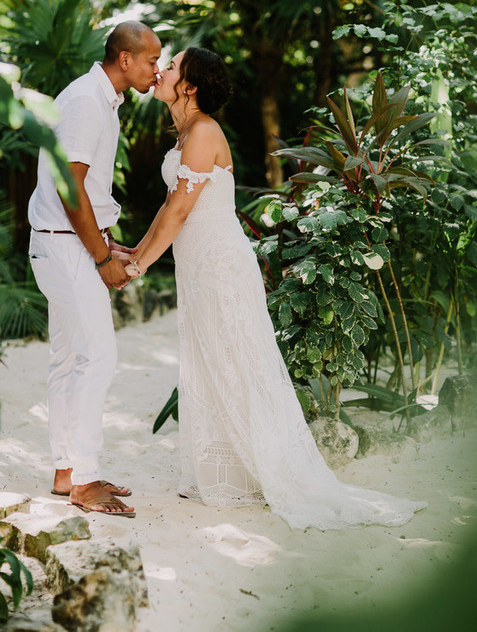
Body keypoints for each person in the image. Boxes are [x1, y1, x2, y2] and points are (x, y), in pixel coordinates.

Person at [126, 46, 426, 529]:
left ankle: (263, 470)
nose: (161, 70)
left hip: (220, 265)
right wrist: (133, 252)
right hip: (197, 265)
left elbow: (180, 212)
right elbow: (168, 207)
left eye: (173, 65)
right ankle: (227, 473)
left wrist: (137, 267)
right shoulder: (184, 132)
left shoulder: (203, 132)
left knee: (236, 361)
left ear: (190, 85)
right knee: (210, 359)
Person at [28, 20, 162, 518]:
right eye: (151, 59)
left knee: (68, 360)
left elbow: (85, 192)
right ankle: (84, 480)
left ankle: (68, 469)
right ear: (124, 59)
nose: (157, 68)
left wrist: (109, 242)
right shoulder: (87, 100)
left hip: (65, 244)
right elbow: (69, 188)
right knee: (97, 358)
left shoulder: (100, 99)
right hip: (66, 249)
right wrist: (103, 259)